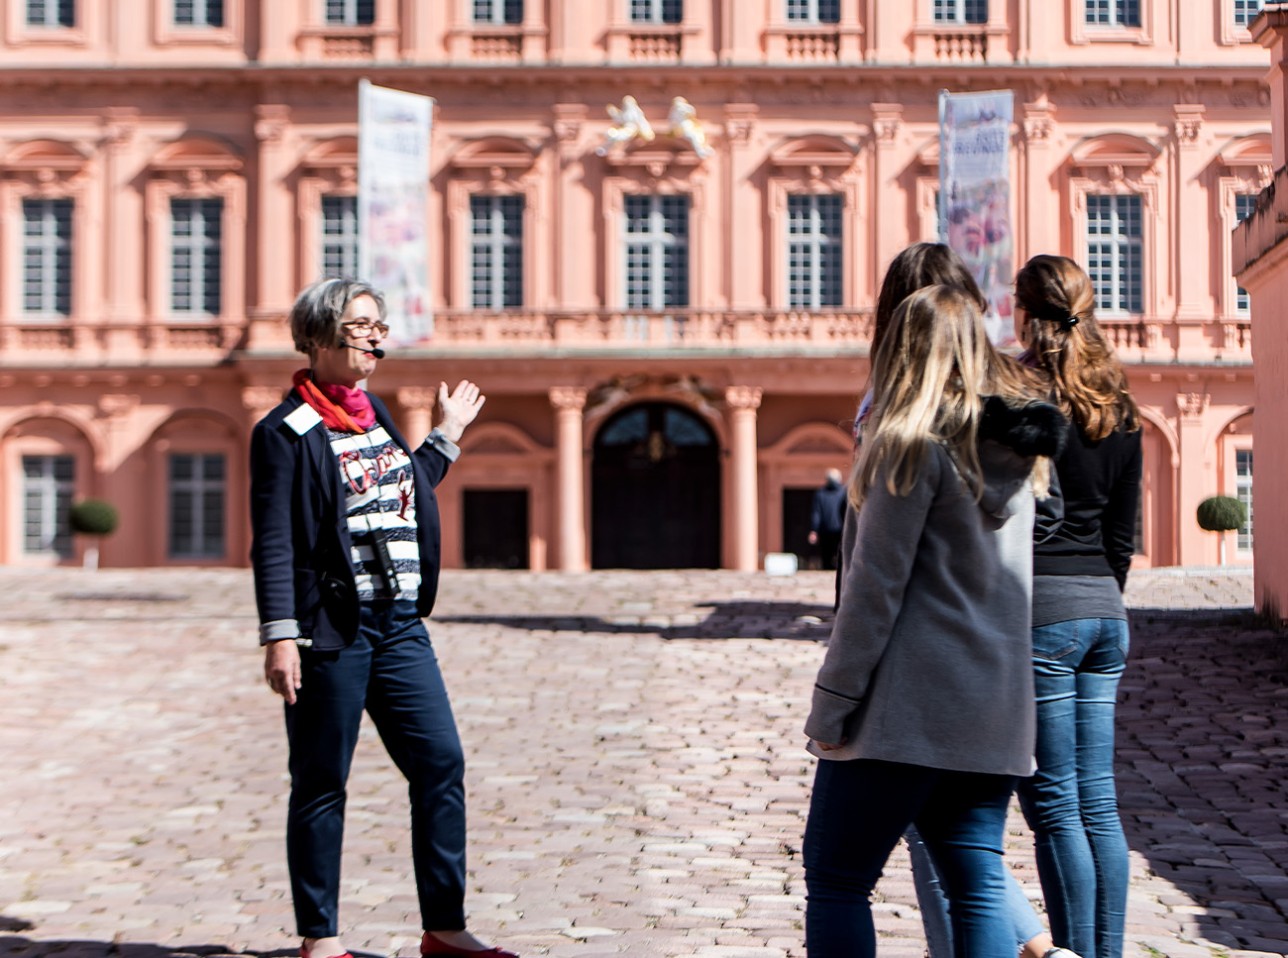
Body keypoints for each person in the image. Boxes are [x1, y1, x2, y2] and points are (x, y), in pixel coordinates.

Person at [250, 278, 517, 958]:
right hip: (330, 631)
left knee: (440, 763)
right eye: (361, 324)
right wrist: (280, 634)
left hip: (399, 626)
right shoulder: (284, 432)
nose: (375, 336)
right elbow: (275, 541)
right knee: (321, 782)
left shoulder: (372, 415)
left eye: (379, 325)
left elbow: (402, 493)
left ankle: (444, 929)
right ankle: (321, 939)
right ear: (318, 337)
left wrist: (446, 435)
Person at [803, 284, 1065, 958]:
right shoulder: (1018, 456)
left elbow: (874, 590)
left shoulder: (907, 446)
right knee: (976, 883)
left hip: (906, 710)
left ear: (901, 351)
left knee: (837, 880)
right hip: (995, 705)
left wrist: (833, 703)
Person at [1012, 255, 1143, 958]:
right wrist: (1099, 593)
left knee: (1057, 804)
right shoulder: (1119, 404)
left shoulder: (1022, 397)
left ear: (1024, 314)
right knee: (1099, 800)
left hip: (1046, 612)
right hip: (1105, 613)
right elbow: (1122, 536)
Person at [808, 468, 847, 570]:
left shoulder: (821, 493)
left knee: (827, 556)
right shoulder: (843, 492)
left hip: (828, 530)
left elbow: (816, 513)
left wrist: (814, 530)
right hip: (840, 530)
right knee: (839, 554)